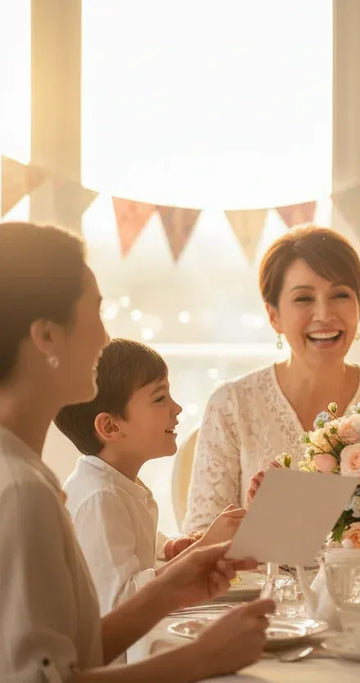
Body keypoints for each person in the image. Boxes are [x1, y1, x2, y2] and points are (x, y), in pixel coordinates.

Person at [0, 221, 272, 681]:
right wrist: (201, 659)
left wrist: (168, 588)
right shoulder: (21, 491)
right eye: (96, 310)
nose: (106, 338)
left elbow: (72, 653)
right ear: (47, 336)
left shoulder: (28, 473)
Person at [183, 226, 360, 533]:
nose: (324, 314)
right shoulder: (232, 405)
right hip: (258, 581)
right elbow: (199, 535)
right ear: (273, 315)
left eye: (340, 295)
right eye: (304, 298)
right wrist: (256, 524)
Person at [56, 338, 245, 618]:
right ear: (110, 426)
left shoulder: (118, 484)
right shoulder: (101, 499)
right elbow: (122, 604)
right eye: (160, 398)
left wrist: (168, 548)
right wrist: (203, 548)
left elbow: (130, 545)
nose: (176, 408)